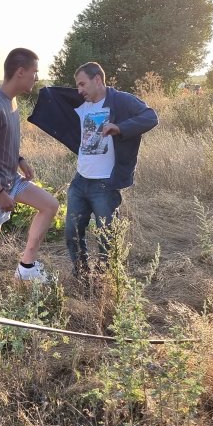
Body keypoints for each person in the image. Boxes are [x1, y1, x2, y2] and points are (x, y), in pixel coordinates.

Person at [28, 61, 158, 284]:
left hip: (105, 185)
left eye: (82, 84)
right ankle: (82, 276)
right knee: (72, 234)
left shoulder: (120, 100)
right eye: (77, 86)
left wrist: (119, 128)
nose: (79, 90)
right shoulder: (81, 104)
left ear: (98, 79)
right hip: (79, 181)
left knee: (107, 236)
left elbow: (150, 117)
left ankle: (105, 279)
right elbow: (53, 98)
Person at [0, 48, 60, 311]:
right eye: (34, 73)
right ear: (20, 72)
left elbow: (2, 142)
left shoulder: (12, 102)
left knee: (50, 205)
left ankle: (26, 267)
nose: (36, 78)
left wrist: (20, 160)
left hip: (11, 179)